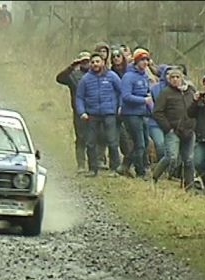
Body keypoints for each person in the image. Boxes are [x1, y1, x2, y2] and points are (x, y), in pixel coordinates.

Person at [75, 53, 122, 177]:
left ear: (103, 63)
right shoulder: (85, 79)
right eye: (93, 62)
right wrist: (82, 112)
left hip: (109, 113)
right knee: (90, 142)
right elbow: (79, 97)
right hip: (92, 114)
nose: (95, 64)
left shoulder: (112, 76)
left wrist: (120, 106)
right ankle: (92, 169)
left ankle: (114, 169)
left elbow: (121, 92)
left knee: (112, 141)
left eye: (97, 61)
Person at [151, 66, 196, 188]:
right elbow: (157, 112)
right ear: (168, 79)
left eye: (177, 77)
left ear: (182, 78)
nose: (175, 79)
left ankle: (189, 185)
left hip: (189, 130)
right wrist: (167, 128)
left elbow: (196, 109)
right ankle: (155, 176)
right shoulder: (165, 93)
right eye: (172, 77)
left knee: (189, 159)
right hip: (173, 130)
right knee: (171, 157)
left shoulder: (190, 91)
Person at [119, 48, 154, 178]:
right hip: (131, 114)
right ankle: (140, 171)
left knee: (144, 142)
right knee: (139, 143)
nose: (145, 63)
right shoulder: (128, 77)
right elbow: (126, 96)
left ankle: (125, 166)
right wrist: (144, 100)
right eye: (142, 60)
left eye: (147, 60)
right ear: (136, 61)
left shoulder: (144, 76)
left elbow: (147, 94)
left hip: (142, 114)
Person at [56, 51, 92, 173]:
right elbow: (59, 79)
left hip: (95, 110)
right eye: (83, 61)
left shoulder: (96, 74)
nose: (86, 63)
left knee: (95, 137)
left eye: (88, 61)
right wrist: (71, 67)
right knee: (81, 137)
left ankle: (95, 163)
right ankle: (81, 164)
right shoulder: (73, 75)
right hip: (79, 111)